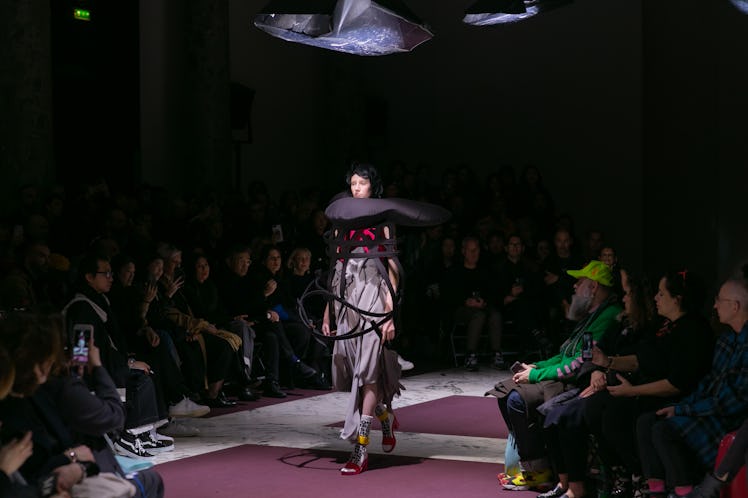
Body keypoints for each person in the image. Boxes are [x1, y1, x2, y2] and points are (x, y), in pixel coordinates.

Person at [319, 162, 449, 475]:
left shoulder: (383, 222)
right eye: (352, 183)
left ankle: (360, 447)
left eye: (361, 184)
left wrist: (389, 314)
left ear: (372, 187)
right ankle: (385, 417)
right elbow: (334, 269)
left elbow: (392, 270)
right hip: (346, 297)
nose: (356, 189)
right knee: (350, 372)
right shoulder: (340, 222)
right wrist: (328, 311)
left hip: (374, 296)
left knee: (368, 373)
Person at [487, 260, 622, 492]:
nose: (574, 286)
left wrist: (537, 374)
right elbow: (564, 354)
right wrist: (536, 366)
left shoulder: (608, 315)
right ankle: (535, 466)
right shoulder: (593, 314)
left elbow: (579, 362)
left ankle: (540, 471)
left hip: (576, 382)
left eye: (579, 282)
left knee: (517, 400)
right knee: (505, 389)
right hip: (563, 377)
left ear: (593, 287)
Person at [588, 269, 714, 497]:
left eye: (661, 294)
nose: (656, 298)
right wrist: (607, 361)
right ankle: (634, 477)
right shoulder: (665, 326)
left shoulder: (693, 331)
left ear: (677, 299)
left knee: (623, 417)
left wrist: (632, 391)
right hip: (650, 391)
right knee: (599, 408)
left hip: (678, 398)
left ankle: (645, 480)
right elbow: (641, 360)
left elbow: (677, 383)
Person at [637, 276, 748, 497]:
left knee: (664, 430)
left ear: (735, 306)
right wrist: (682, 406)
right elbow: (708, 383)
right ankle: (657, 491)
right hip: (710, 409)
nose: (714, 305)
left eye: (719, 300)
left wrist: (682, 409)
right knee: (647, 420)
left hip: (729, 419)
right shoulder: (727, 340)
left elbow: (735, 402)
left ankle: (684, 491)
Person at [441, 236, 505, 370]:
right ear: (463, 251)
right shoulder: (455, 271)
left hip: (482, 306)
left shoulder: (485, 271)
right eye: (470, 251)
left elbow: (494, 292)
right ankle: (470, 355)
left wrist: (484, 301)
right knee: (478, 316)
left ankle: (496, 354)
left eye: (476, 250)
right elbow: (448, 295)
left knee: (495, 315)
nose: (474, 254)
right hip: (461, 309)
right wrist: (466, 301)